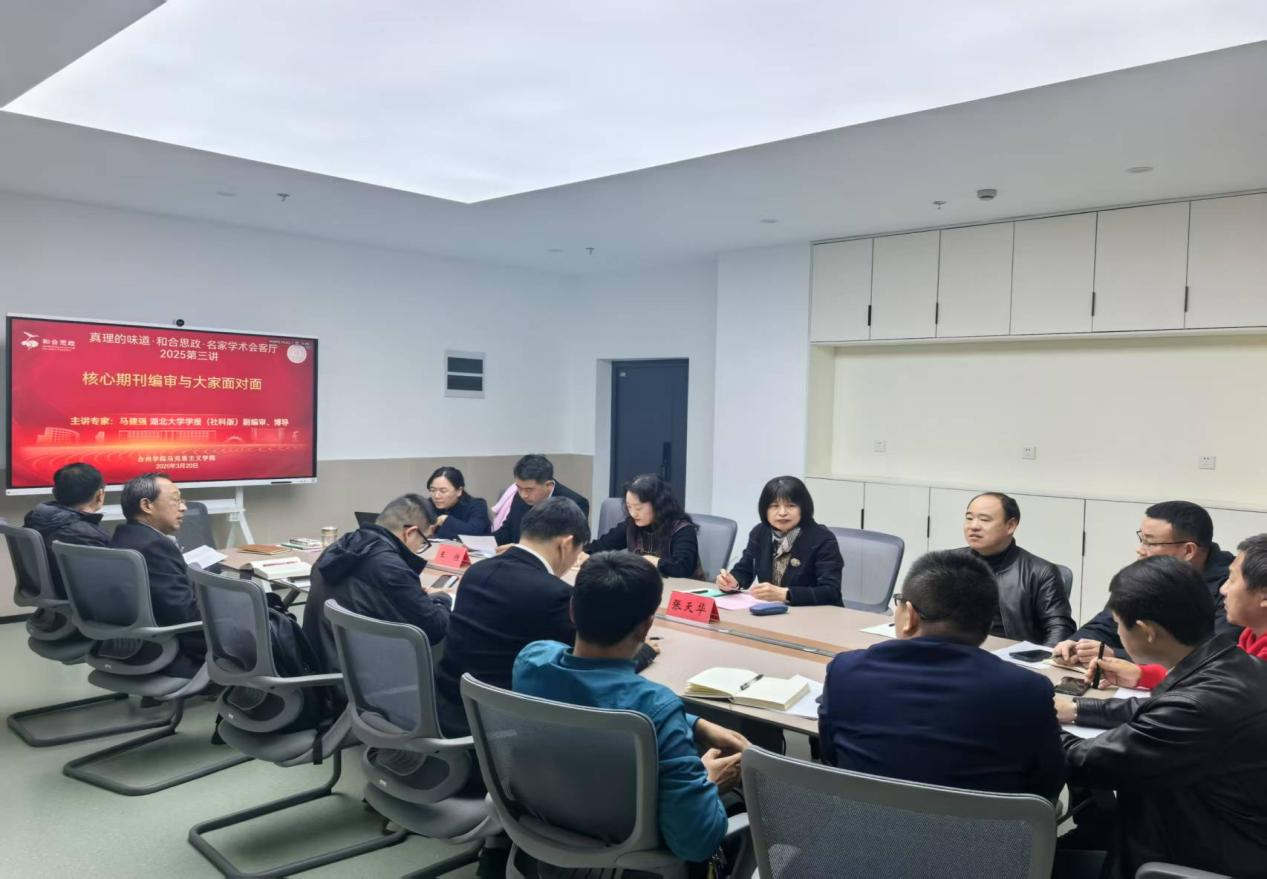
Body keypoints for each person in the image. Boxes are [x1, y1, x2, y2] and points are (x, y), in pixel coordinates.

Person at [514, 551, 749, 867]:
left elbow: (595, 692)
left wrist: (693, 723)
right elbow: (694, 842)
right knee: (737, 804)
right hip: (625, 849)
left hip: (545, 819)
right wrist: (709, 781)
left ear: (572, 610)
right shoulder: (655, 707)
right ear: (647, 626)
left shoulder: (532, 660)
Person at [1059, 556, 1267, 878]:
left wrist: (1030, 719)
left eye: (1118, 624)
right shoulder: (1231, 662)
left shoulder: (1196, 705)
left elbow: (1088, 762)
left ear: (1147, 632)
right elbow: (1158, 712)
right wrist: (1078, 709)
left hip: (1201, 854)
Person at [818, 551, 1065, 800]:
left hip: (863, 822)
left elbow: (830, 755)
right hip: (981, 825)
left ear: (910, 616)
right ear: (988, 624)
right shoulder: (1028, 690)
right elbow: (1047, 784)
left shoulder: (846, 670)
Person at [1063, 533, 1267, 697]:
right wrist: (1141, 674)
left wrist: (1078, 710)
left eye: (1232, 580)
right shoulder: (1250, 636)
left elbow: (1207, 695)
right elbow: (1209, 678)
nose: (1224, 589)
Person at [1054, 501, 1235, 665]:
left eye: (1150, 543)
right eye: (1142, 539)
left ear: (1188, 550)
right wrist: (1077, 644)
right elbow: (1107, 623)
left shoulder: (1230, 588)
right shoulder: (1146, 575)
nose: (1140, 550)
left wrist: (1116, 655)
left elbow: (1214, 655)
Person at [304, 493, 452, 671]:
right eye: (423, 542)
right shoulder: (390, 567)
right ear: (410, 532)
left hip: (319, 663)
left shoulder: (338, 547)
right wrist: (442, 598)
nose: (420, 548)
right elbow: (434, 629)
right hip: (363, 676)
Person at [110, 472, 206, 677]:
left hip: (136, 644)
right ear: (147, 505)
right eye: (175, 500)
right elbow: (185, 616)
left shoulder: (123, 536)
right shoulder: (154, 547)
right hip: (177, 648)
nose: (183, 507)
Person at [958, 491, 1074, 646]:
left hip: (1008, 654)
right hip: (955, 649)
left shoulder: (1041, 572)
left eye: (984, 519)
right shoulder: (948, 563)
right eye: (969, 518)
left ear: (1010, 525)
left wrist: (1043, 657)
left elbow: (1059, 628)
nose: (973, 526)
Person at [716, 475, 844, 606]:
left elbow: (830, 592)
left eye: (791, 505)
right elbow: (745, 570)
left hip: (816, 613)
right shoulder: (760, 532)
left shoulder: (822, 539)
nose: (782, 512)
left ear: (803, 508)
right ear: (765, 510)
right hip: (774, 611)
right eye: (774, 506)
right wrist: (732, 582)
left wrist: (786, 594)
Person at [583, 473, 703, 579]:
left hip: (682, 590)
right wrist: (584, 555)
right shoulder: (631, 524)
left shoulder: (681, 529)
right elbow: (601, 546)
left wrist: (651, 561)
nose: (633, 513)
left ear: (658, 505)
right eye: (629, 507)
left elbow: (682, 567)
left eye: (638, 508)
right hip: (647, 586)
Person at [23, 462, 109, 600]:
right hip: (80, 598)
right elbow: (105, 582)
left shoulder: (34, 519)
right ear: (100, 495)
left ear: (54, 492)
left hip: (51, 590)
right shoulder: (89, 535)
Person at [491, 454, 590, 546]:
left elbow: (567, 546)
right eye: (519, 488)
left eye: (529, 489)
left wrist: (519, 550)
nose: (523, 495)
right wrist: (484, 544)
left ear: (548, 485)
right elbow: (507, 531)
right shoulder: (520, 495)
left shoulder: (575, 503)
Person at [426, 466, 491, 538]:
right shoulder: (429, 504)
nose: (437, 496)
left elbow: (474, 533)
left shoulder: (477, 506)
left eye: (443, 491)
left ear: (459, 491)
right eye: (433, 490)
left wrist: (445, 520)